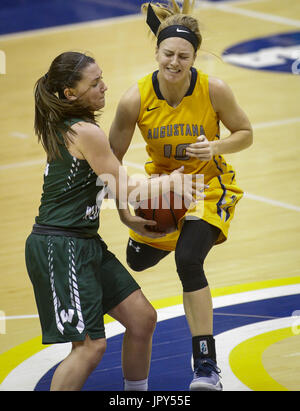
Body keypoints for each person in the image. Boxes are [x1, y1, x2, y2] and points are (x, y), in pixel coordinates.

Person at [25, 51, 200, 391]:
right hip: (60, 246)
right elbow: (126, 188)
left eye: (101, 77)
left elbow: (102, 185)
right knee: (89, 347)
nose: (104, 86)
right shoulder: (84, 131)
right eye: (94, 83)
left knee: (142, 319)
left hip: (83, 241)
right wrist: (170, 183)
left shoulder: (74, 126)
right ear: (69, 94)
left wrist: (127, 219)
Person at [109, 0, 253, 391]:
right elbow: (110, 163)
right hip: (165, 187)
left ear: (195, 56)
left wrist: (217, 148)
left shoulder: (213, 88)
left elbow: (245, 133)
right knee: (136, 261)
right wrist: (125, 212)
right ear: (156, 52)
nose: (174, 62)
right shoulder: (134, 99)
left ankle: (206, 367)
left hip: (209, 186)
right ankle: (174, 229)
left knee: (189, 261)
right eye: (168, 54)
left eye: (183, 56)